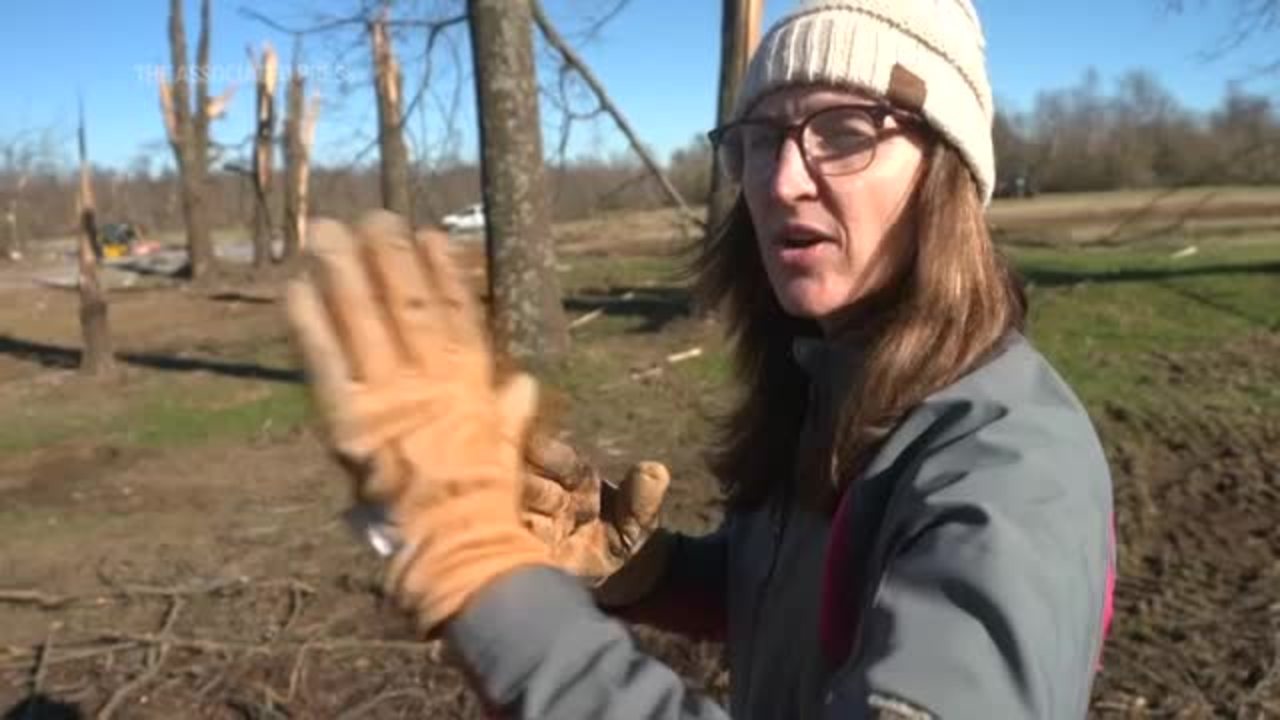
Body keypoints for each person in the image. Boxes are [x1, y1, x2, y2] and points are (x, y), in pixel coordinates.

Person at [284, 0, 1117, 717]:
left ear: (950, 175)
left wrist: (489, 583)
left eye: (845, 131)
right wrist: (655, 575)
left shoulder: (1011, 472)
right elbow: (815, 602)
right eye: (760, 138)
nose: (782, 177)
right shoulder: (832, 382)